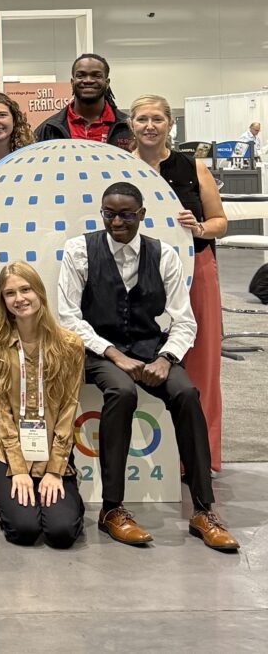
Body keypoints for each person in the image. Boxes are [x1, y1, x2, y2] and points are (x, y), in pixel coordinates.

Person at [57, 182, 238, 551]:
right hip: (99, 352)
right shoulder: (78, 250)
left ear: (141, 214)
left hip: (151, 348)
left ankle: (204, 510)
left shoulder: (164, 254)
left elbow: (184, 320)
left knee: (187, 393)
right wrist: (113, 354)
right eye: (109, 214)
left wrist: (166, 357)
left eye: (126, 214)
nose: (117, 221)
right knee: (121, 393)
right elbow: (69, 318)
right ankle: (112, 510)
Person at [129, 94, 228, 469]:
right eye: (142, 119)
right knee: (147, 357)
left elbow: (220, 221)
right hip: (139, 272)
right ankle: (159, 458)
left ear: (170, 124)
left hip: (196, 268)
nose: (149, 126)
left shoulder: (193, 168)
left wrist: (199, 227)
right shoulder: (121, 166)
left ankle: (202, 458)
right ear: (132, 125)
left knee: (202, 360)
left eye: (157, 119)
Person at [0, 263, 85, 549]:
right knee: (24, 531)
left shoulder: (69, 344)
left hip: (53, 448)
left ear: (39, 292)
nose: (20, 298)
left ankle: (66, 498)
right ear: (3, 300)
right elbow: (0, 410)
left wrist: (54, 470)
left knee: (61, 533)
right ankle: (7, 498)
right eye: (10, 293)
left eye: (26, 289)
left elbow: (69, 407)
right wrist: (19, 470)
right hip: (9, 451)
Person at [34, 53, 133, 149]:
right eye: (81, 75)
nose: (88, 80)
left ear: (107, 83)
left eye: (96, 75)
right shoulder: (48, 129)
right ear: (72, 82)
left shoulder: (129, 127)